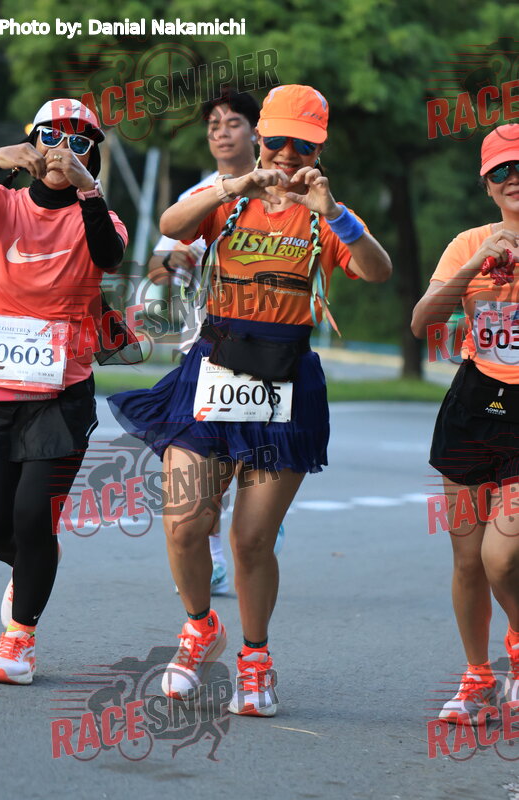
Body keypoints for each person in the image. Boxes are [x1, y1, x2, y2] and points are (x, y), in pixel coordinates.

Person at [109, 84, 392, 716]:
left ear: (319, 149)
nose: (288, 154)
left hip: (285, 380)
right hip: (212, 368)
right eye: (277, 140)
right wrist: (233, 186)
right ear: (261, 139)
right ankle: (199, 627)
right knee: (186, 523)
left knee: (251, 540)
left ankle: (256, 656)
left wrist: (334, 213)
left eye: (303, 145)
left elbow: (377, 271)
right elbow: (171, 227)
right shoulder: (226, 199)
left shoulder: (327, 213)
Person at [0, 98, 128, 684]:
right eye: (51, 137)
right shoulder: (0, 204)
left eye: (79, 143)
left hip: (61, 394)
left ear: (92, 157)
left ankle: (19, 641)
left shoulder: (102, 216)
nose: (63, 151)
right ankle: (35, 559)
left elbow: (109, 255)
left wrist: (89, 191)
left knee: (31, 517)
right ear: (32, 142)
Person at [412, 123, 519, 725]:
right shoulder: (468, 243)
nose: (513, 178)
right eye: (501, 170)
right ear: (486, 184)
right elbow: (423, 322)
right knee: (469, 559)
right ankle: (477, 678)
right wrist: (477, 263)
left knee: (503, 557)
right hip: (475, 405)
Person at [148, 88, 269, 596]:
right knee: (206, 460)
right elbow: (156, 266)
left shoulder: (284, 191)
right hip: (205, 347)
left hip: (270, 350)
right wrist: (175, 261)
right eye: (213, 124)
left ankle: (257, 520)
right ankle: (215, 553)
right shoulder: (198, 195)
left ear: (257, 133)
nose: (221, 132)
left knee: (250, 462)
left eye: (232, 122)